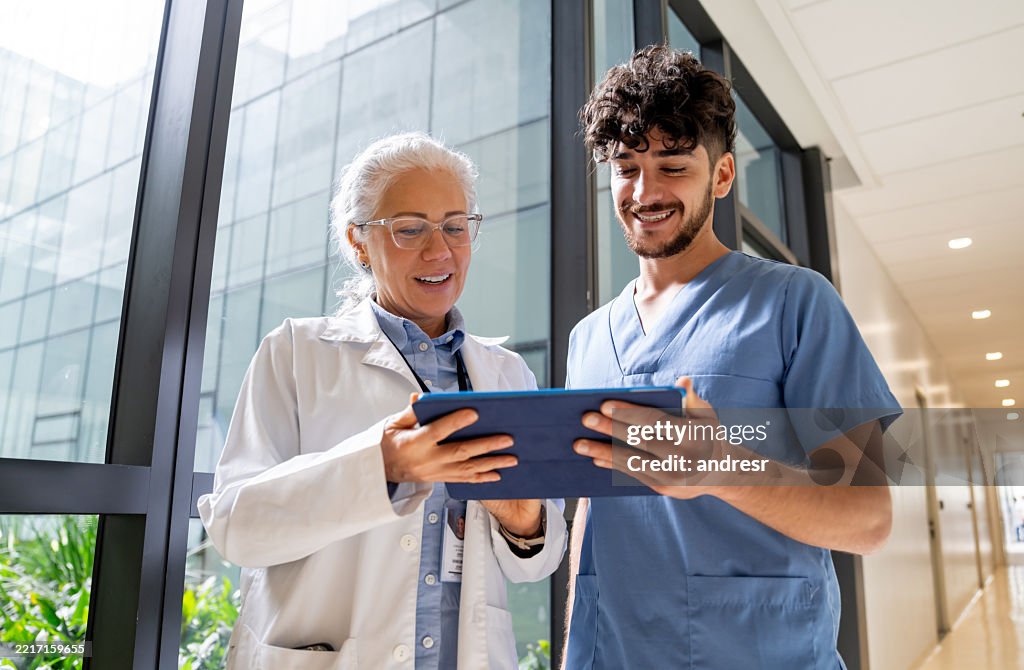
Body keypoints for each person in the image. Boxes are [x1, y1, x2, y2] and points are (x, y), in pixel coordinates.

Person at [562, 46, 902, 668]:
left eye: (673, 165)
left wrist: (721, 467)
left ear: (721, 177)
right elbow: (591, 511)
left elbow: (869, 518)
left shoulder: (796, 303)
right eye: (626, 166)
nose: (646, 190)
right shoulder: (588, 338)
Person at [199, 132, 566, 670]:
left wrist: (522, 519)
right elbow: (236, 526)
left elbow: (538, 563)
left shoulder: (506, 373)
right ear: (359, 241)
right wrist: (382, 467)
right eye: (410, 228)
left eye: (455, 227)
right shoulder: (297, 352)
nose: (438, 250)